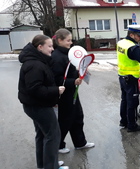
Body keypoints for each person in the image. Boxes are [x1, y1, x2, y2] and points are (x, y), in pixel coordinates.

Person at [18, 34, 68, 169]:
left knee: (42, 134)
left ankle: (44, 165)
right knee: (53, 135)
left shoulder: (38, 60)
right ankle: (51, 166)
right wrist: (56, 90)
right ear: (40, 47)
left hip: (35, 105)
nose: (52, 49)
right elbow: (35, 89)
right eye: (50, 46)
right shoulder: (34, 65)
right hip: (38, 106)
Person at [51, 28, 94, 154]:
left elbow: (69, 72)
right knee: (65, 120)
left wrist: (80, 73)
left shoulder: (68, 54)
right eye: (68, 40)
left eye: (71, 40)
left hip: (72, 91)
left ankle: (80, 143)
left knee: (77, 117)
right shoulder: (57, 57)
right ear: (59, 40)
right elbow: (57, 78)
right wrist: (73, 81)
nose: (71, 43)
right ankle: (59, 145)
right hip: (64, 94)